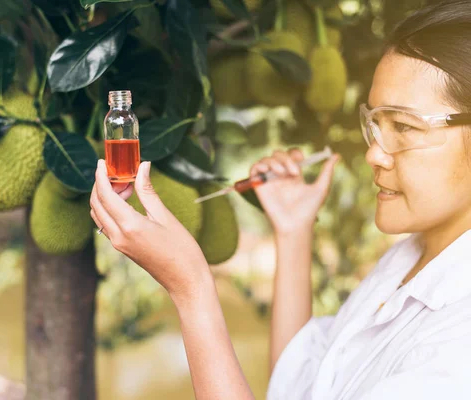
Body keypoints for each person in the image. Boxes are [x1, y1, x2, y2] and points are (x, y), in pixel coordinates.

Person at [89, 0, 471, 398]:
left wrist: (192, 290)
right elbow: (298, 385)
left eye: (405, 127)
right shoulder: (412, 258)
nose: (374, 153)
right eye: (375, 123)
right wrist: (293, 231)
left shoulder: (461, 351)